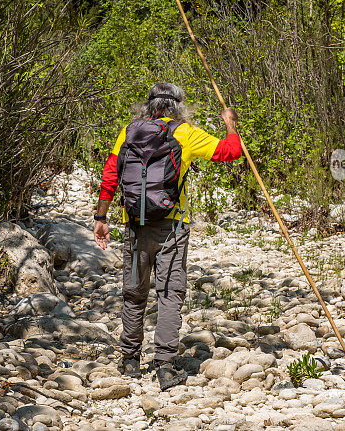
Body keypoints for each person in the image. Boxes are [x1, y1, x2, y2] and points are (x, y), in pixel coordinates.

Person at [93, 82, 243, 390]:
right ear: (177, 107)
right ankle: (163, 365)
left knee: (134, 294)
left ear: (149, 106)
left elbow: (111, 174)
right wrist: (230, 125)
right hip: (172, 227)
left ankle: (130, 361)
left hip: (134, 226)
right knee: (170, 295)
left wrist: (101, 217)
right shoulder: (184, 133)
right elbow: (231, 152)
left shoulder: (129, 132)